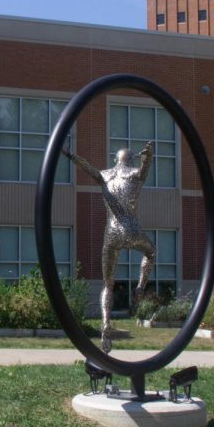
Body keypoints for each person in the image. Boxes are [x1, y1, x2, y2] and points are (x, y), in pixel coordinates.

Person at [64, 141, 157, 352]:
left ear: (115, 159)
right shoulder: (133, 174)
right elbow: (143, 172)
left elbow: (86, 167)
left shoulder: (104, 175)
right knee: (151, 252)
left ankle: (106, 324)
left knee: (108, 284)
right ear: (130, 160)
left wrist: (70, 155)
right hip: (131, 230)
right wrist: (149, 157)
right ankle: (140, 288)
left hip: (112, 234)